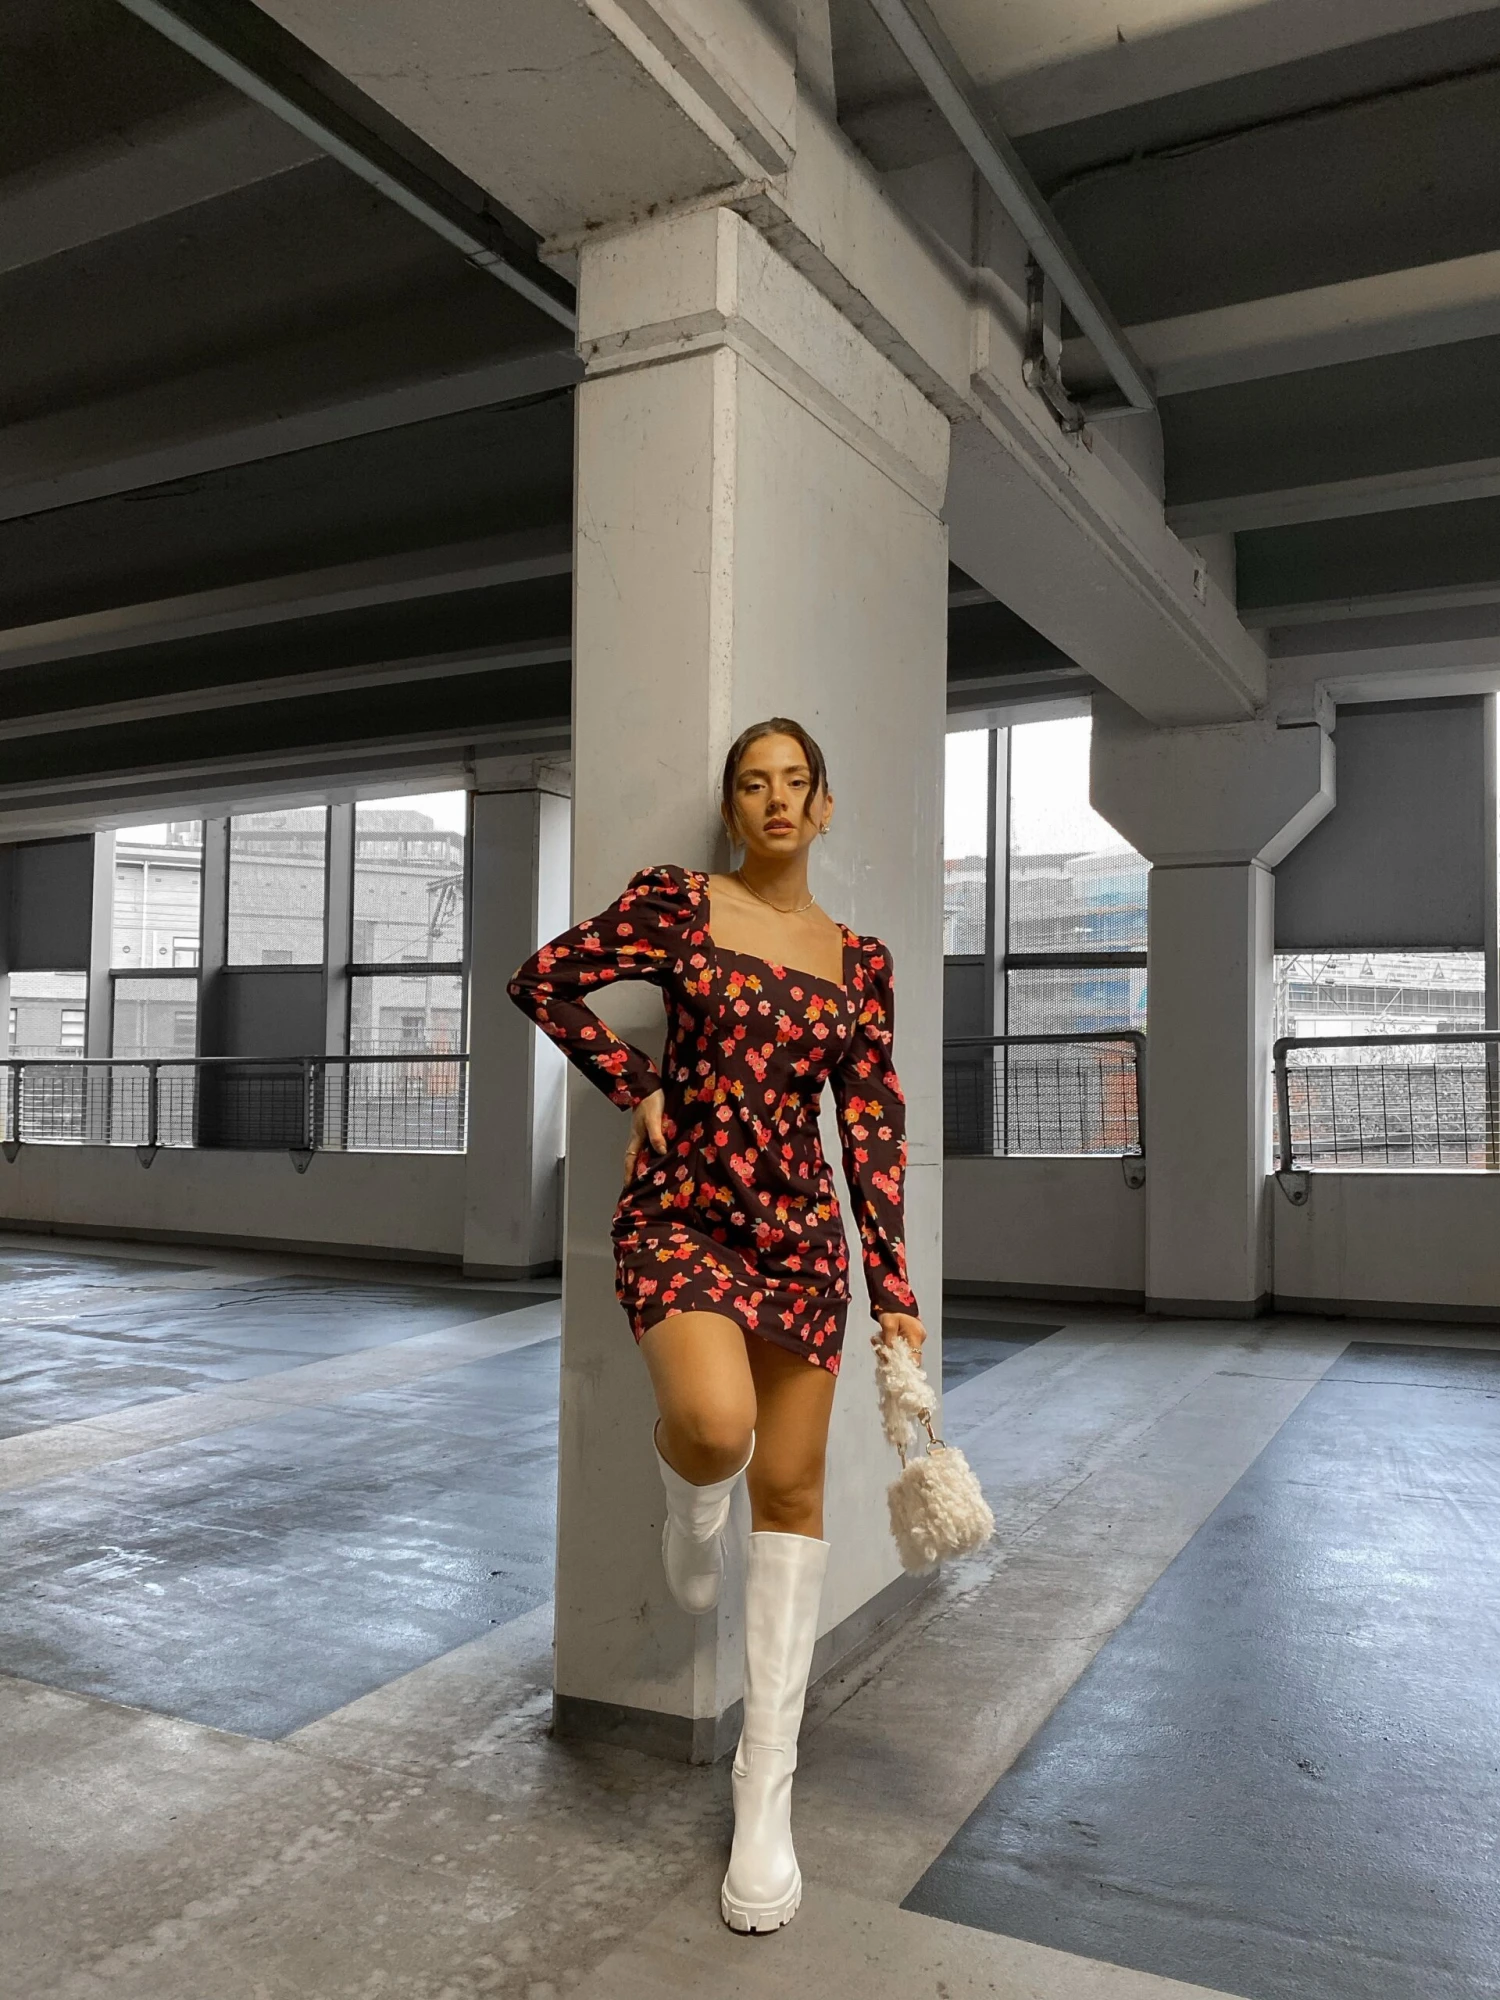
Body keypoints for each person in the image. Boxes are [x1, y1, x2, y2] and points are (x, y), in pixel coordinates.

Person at [507, 717, 926, 1935]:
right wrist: (632, 1081)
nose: (776, 799)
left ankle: (765, 1788)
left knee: (792, 1493)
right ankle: (690, 1496)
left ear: (825, 806)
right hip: (684, 1213)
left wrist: (894, 1287)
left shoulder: (860, 961)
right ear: (734, 809)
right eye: (754, 783)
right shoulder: (681, 906)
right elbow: (544, 978)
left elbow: (872, 1127)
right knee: (712, 1424)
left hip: (802, 1239)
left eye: (796, 782)